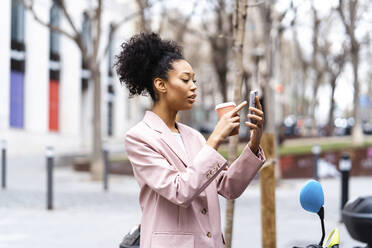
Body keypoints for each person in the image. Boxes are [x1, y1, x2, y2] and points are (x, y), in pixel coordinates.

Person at [115, 32, 265, 248]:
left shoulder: (192, 135)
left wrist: (254, 142)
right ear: (161, 85)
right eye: (185, 80)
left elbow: (229, 187)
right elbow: (179, 190)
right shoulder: (139, 137)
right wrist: (215, 138)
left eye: (194, 80)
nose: (194, 86)